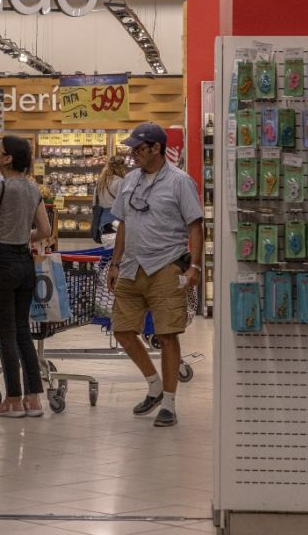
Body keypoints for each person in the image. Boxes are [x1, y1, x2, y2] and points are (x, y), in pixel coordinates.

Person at [107, 122, 203, 427]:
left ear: (156, 148)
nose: (133, 154)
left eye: (139, 148)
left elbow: (196, 227)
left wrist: (195, 267)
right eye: (133, 148)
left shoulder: (180, 181)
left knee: (166, 334)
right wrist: (115, 262)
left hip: (166, 265)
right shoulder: (130, 180)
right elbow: (123, 223)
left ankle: (170, 405)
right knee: (122, 329)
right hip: (132, 266)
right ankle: (154, 385)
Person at [0, 135, 52, 418]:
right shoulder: (33, 189)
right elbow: (44, 230)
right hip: (24, 263)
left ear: (8, 159)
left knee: (5, 334)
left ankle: (13, 400)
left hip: (1, 262)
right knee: (22, 332)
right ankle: (33, 398)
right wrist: (21, 235)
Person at [92, 156, 127, 240]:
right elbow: (123, 202)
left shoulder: (101, 180)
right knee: (116, 247)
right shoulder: (120, 181)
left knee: (107, 244)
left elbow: (94, 201)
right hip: (116, 218)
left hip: (102, 217)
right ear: (121, 167)